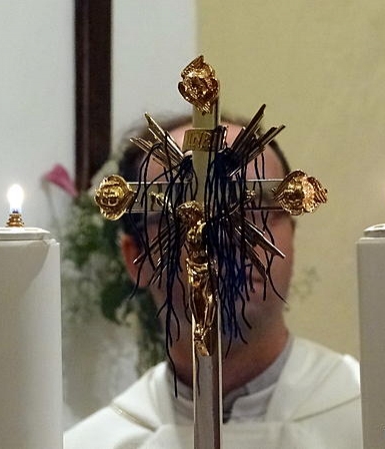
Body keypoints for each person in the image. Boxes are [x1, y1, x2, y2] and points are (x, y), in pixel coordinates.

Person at [64, 115, 362, 449]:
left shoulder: (379, 417)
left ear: (291, 235)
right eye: (189, 211)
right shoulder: (93, 444)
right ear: (137, 259)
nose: (229, 235)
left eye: (255, 208)